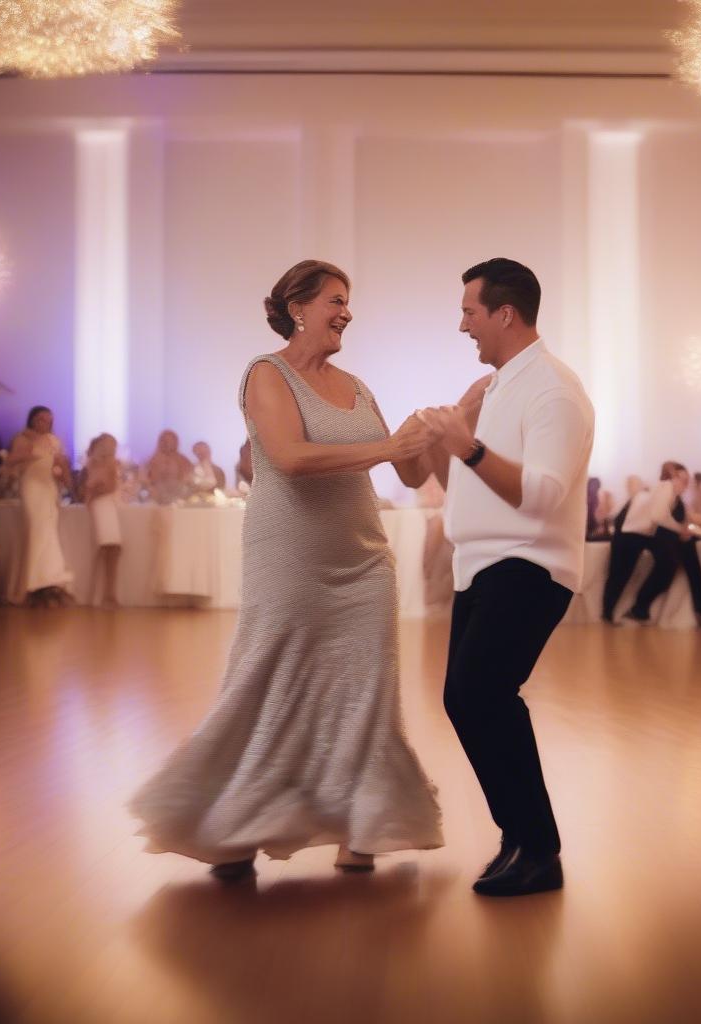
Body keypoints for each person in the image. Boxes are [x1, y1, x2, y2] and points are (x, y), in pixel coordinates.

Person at [129, 259, 443, 881]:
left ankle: (363, 826)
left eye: (348, 300)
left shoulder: (356, 384)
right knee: (271, 680)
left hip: (364, 560)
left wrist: (434, 430)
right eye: (335, 299)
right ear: (297, 307)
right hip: (290, 556)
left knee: (366, 693)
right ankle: (236, 827)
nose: (346, 311)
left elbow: (409, 473)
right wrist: (388, 446)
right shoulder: (265, 374)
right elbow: (289, 457)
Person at [417, 257, 594, 898]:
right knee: (466, 699)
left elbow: (544, 494)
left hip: (530, 563)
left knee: (483, 695)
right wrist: (450, 437)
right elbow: (460, 475)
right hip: (485, 563)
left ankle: (540, 851)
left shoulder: (553, 390)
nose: (463, 325)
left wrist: (465, 444)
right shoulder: (498, 388)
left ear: (505, 314)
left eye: (470, 311)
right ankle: (520, 837)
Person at [604, 462, 701, 628]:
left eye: (686, 479)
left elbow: (663, 518)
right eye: (682, 478)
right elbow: (658, 516)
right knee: (620, 573)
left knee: (627, 572)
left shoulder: (673, 496)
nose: (685, 483)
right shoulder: (665, 487)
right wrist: (680, 529)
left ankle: (630, 610)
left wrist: (682, 529)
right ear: (673, 477)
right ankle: (610, 613)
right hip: (629, 534)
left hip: (642, 534)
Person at [6, 406, 74, 607]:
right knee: (37, 532)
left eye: (49, 420)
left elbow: (59, 469)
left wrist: (61, 473)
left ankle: (47, 581)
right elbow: (11, 462)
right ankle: (32, 584)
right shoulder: (23, 438)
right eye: (41, 419)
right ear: (33, 419)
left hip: (49, 489)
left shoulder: (54, 441)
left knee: (48, 534)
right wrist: (32, 448)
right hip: (32, 488)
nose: (45, 423)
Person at [84, 433, 123, 608]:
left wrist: (93, 493)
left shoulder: (99, 462)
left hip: (106, 504)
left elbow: (96, 486)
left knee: (111, 549)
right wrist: (94, 493)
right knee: (109, 548)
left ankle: (105, 594)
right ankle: (107, 595)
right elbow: (107, 486)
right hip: (104, 505)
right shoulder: (101, 463)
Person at [144, 430, 193, 504]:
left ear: (176, 442)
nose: (167, 443)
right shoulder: (152, 460)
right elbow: (146, 479)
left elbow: (189, 478)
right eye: (164, 440)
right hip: (157, 494)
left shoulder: (183, 460)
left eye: (170, 440)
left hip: (179, 494)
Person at [586, 476, 611, 541]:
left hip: (595, 529)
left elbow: (602, 514)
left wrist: (600, 525)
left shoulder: (600, 496)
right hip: (592, 529)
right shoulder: (591, 498)